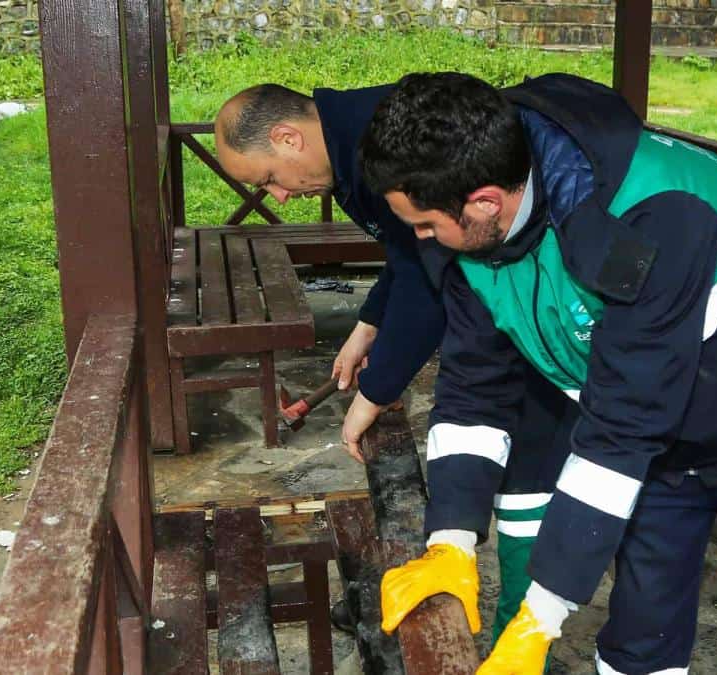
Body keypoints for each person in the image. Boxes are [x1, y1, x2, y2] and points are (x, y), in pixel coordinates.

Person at [361, 72, 717, 675]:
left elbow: (624, 421)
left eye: (423, 224)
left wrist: (539, 621)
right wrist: (451, 542)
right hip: (660, 453)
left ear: (486, 201)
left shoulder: (658, 212)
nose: (419, 240)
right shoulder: (467, 235)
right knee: (639, 642)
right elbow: (472, 389)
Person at [214, 84, 577, 648]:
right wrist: (367, 327)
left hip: (537, 308)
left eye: (266, 179)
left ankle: (525, 633)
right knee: (507, 468)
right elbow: (408, 256)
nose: (277, 197)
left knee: (533, 474)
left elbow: (428, 283)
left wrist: (373, 394)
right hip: (503, 307)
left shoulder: (377, 144)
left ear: (288, 138)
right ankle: (517, 628)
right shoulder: (349, 143)